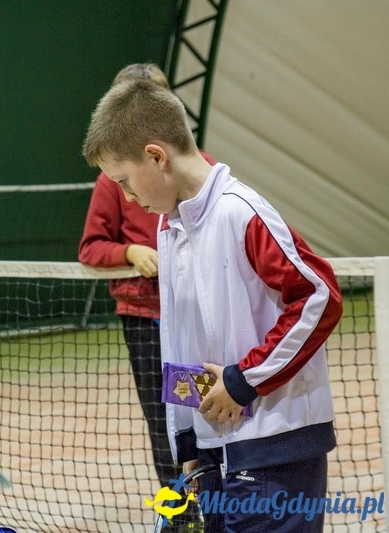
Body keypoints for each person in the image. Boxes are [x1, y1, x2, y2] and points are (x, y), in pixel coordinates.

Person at [82, 78, 342, 531]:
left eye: (124, 181)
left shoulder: (241, 212)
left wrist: (245, 381)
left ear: (156, 156)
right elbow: (180, 339)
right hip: (213, 457)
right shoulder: (169, 227)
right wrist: (187, 444)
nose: (125, 197)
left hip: (275, 451)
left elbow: (319, 296)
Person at [78, 63, 214, 528]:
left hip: (196, 317)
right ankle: (177, 512)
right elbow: (91, 248)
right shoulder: (112, 182)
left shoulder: (205, 174)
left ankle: (213, 502)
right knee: (164, 422)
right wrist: (131, 250)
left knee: (201, 409)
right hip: (144, 319)